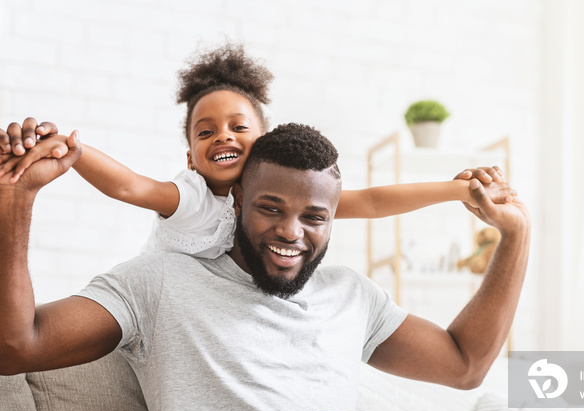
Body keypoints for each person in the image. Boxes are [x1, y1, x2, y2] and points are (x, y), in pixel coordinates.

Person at [0, 121, 578, 411]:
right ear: (237, 202)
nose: (291, 233)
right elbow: (17, 348)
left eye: (314, 217)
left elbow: (465, 364)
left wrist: (516, 234)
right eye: (271, 209)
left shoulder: (352, 294)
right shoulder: (161, 279)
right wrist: (17, 200)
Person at [0, 43, 515, 259]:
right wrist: (71, 149)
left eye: (236, 127)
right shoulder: (192, 199)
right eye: (204, 133)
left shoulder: (281, 194)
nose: (221, 136)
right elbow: (130, 185)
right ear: (189, 158)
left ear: (263, 142)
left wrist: (458, 189)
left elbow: (372, 202)